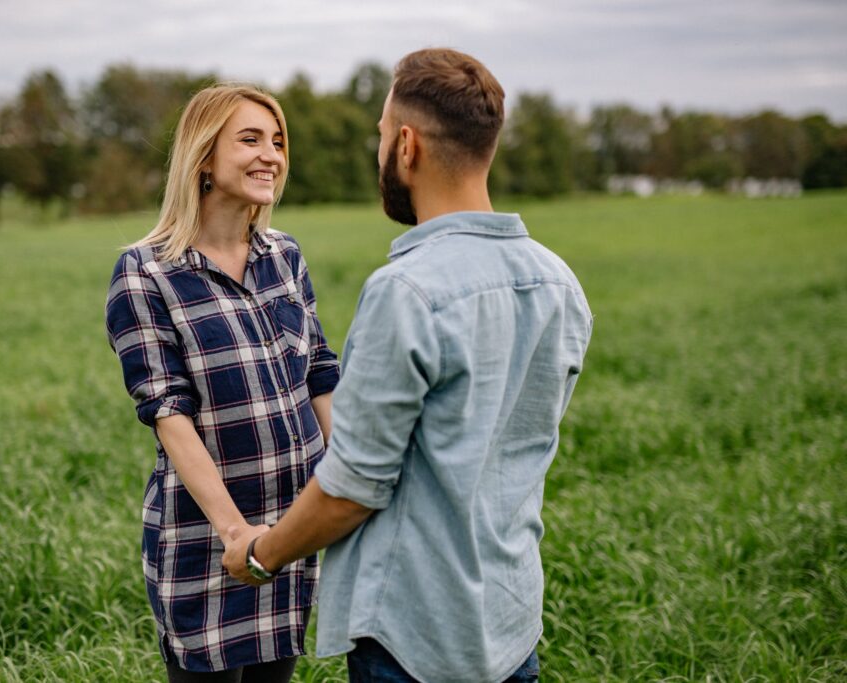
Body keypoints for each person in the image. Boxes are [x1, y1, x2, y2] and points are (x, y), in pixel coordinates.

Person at [222, 49, 593, 683]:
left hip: (412, 636)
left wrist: (259, 554)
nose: (378, 153)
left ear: (407, 146)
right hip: (510, 621)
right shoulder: (559, 282)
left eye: (379, 136)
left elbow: (352, 490)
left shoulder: (409, 290)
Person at [105, 84, 340, 682]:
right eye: (251, 139)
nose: (272, 155)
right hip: (207, 540)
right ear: (204, 157)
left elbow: (318, 373)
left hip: (290, 533)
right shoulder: (146, 272)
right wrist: (237, 534)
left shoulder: (284, 255)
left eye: (278, 141)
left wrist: (344, 484)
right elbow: (167, 412)